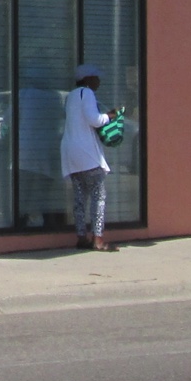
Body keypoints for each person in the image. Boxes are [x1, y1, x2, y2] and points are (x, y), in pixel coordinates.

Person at [61, 63, 119, 251]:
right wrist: (110, 115)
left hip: (70, 151)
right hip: (86, 153)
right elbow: (94, 120)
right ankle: (98, 239)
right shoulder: (86, 93)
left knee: (79, 197)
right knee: (98, 196)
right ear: (87, 79)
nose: (99, 81)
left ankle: (81, 237)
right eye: (96, 77)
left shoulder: (71, 96)